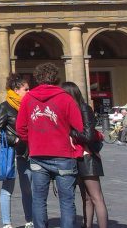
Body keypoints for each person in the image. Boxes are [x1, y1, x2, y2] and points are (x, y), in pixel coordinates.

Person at [16, 63, 83, 228]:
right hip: (64, 155)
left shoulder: (28, 98)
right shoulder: (65, 98)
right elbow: (79, 127)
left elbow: (20, 128)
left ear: (37, 78)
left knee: (38, 199)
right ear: (56, 78)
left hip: (38, 155)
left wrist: (31, 141)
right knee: (67, 200)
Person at [62, 81, 108, 228]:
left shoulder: (84, 108)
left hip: (88, 157)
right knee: (86, 197)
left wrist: (70, 132)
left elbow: (88, 136)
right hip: (76, 156)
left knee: (96, 197)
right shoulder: (68, 110)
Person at [0, 74, 33, 228]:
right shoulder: (4, 107)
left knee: (27, 189)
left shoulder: (28, 106)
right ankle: (7, 223)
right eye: (26, 89)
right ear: (16, 90)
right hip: (10, 153)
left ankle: (30, 220)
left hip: (26, 152)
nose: (29, 91)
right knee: (7, 189)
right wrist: (14, 140)